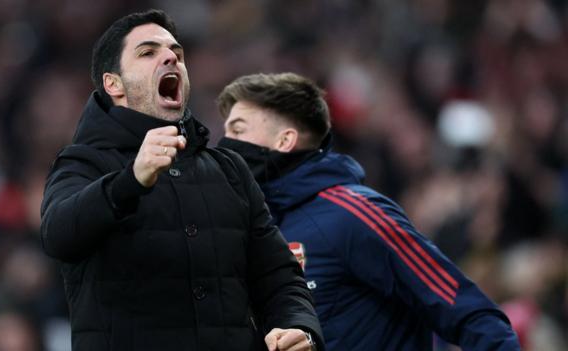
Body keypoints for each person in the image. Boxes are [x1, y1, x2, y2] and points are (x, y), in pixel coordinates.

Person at [40, 10, 323, 351]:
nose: (171, 57)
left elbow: (279, 276)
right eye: (148, 52)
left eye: (177, 52)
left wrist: (297, 327)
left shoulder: (228, 170)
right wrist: (130, 181)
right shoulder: (83, 162)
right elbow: (58, 235)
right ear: (113, 83)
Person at [216, 72, 522, 351]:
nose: (225, 145)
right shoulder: (252, 232)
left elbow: (467, 311)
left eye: (237, 130)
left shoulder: (352, 214)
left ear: (284, 140)